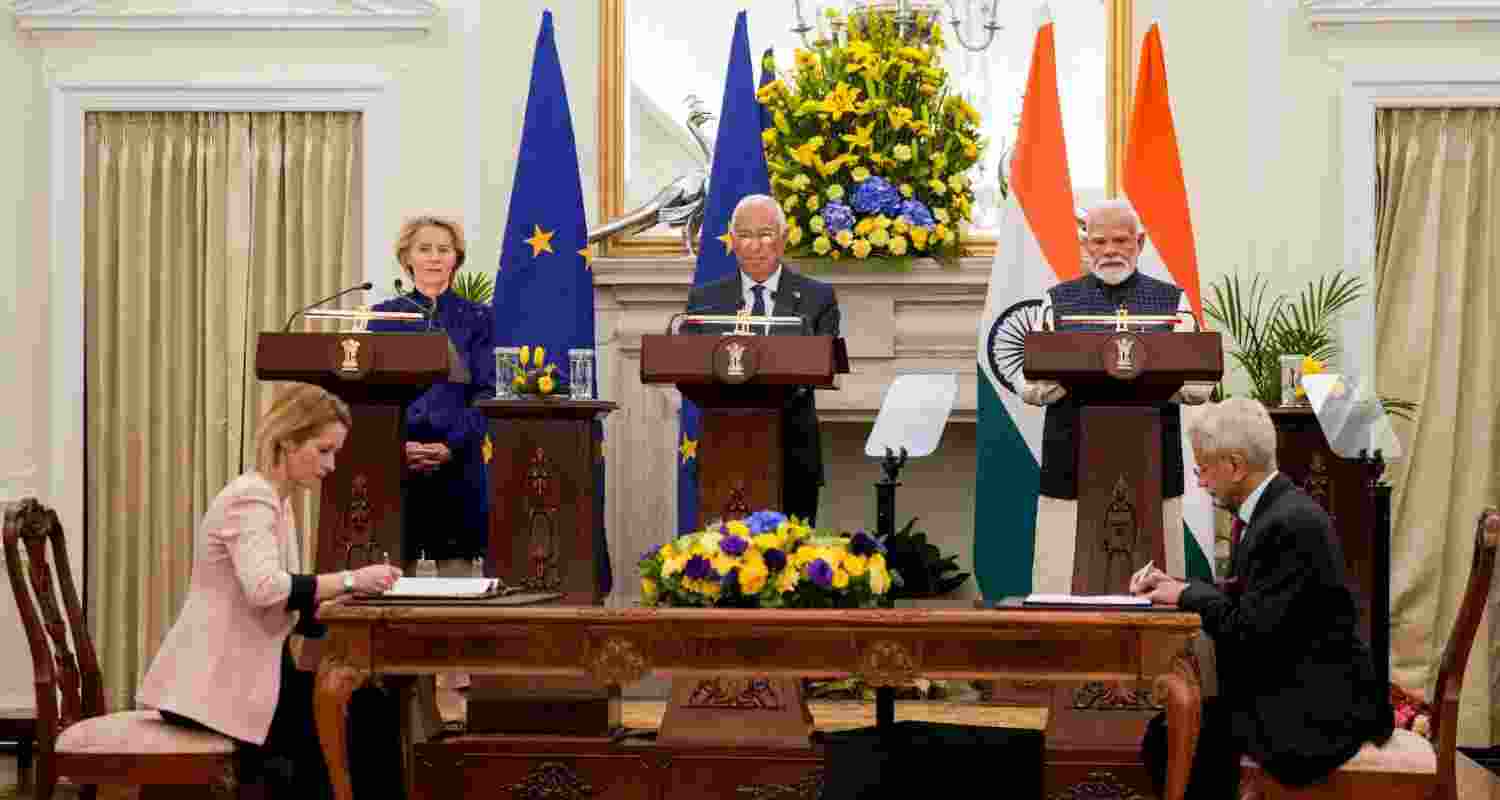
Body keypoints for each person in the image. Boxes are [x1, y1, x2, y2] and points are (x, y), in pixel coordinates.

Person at [138, 383, 404, 798]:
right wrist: (353, 580)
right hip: (214, 686)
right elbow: (265, 589)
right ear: (287, 441)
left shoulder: (277, 500)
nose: (332, 465)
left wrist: (341, 600)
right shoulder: (252, 498)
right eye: (324, 450)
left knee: (370, 709)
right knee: (355, 723)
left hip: (247, 673)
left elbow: (286, 596)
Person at [1132, 397, 1393, 797]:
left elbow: (1246, 632)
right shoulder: (1278, 510)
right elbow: (1251, 597)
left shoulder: (1286, 524)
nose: (1201, 482)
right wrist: (1178, 587)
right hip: (1296, 691)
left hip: (1317, 714)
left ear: (1235, 466)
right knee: (1168, 730)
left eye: (1203, 469)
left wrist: (1187, 594)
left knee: (1169, 737)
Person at [1022, 199, 1213, 591]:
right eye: (1099, 241)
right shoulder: (1057, 302)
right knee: (1064, 589)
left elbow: (1199, 385)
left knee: (1157, 594)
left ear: (1139, 243)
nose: (1110, 250)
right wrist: (1080, 371)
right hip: (1071, 464)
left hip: (1153, 463)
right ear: (1085, 245)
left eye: (1121, 240)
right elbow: (1031, 385)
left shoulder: (1172, 302)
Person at [684, 194, 841, 524]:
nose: (755, 246)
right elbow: (688, 364)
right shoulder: (704, 300)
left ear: (783, 239)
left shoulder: (818, 298)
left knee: (792, 553)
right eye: (745, 235)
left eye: (765, 234)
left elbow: (820, 362)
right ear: (732, 240)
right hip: (721, 450)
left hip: (793, 453)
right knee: (721, 552)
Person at [369, 215, 495, 574]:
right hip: (397, 464)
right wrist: (399, 445)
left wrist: (451, 445)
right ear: (407, 258)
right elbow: (371, 395)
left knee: (457, 577)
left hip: (458, 462)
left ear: (456, 258)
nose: (435, 258)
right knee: (392, 577)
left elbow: (487, 393)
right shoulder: (384, 317)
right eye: (425, 249)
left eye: (444, 249)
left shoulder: (479, 319)